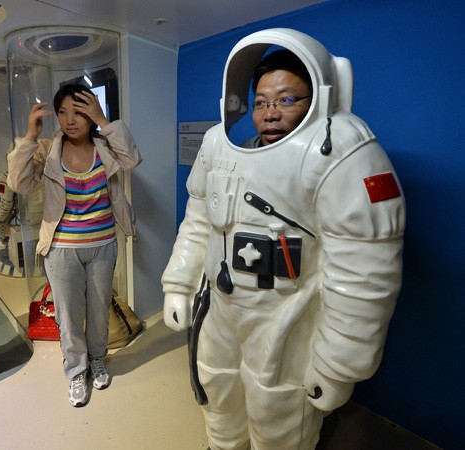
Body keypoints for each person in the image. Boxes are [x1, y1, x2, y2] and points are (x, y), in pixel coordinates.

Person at [161, 28, 405, 450]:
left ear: (321, 100)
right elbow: (199, 220)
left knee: (278, 417)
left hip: (287, 319)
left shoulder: (343, 154)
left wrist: (336, 366)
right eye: (261, 102)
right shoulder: (219, 148)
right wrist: (178, 284)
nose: (270, 113)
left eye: (287, 100)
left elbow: (364, 274)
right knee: (217, 394)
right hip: (220, 309)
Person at [7, 84, 142, 407]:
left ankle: (97, 358)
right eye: (63, 112)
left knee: (98, 313)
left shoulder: (105, 146)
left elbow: (133, 160)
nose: (70, 120)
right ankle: (76, 371)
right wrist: (28, 137)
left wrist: (104, 120)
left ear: (91, 114)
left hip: (103, 244)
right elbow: (19, 184)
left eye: (79, 111)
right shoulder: (46, 149)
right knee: (69, 317)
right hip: (62, 248)